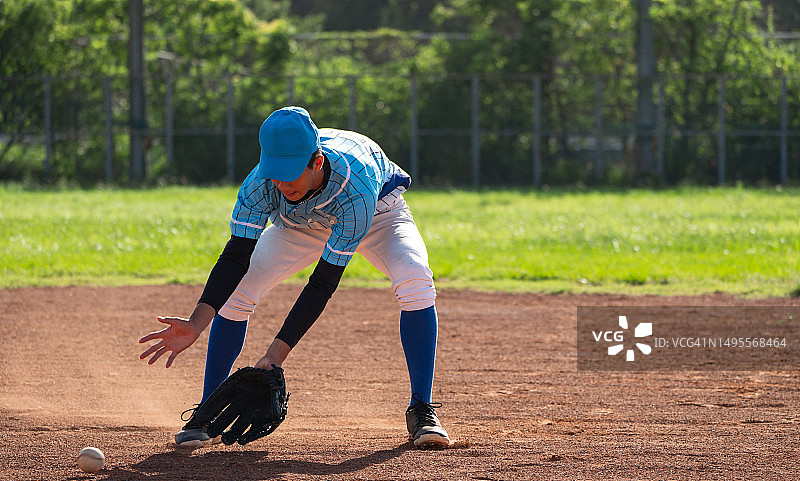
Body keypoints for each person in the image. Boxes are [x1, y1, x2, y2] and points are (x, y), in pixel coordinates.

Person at [138, 106, 450, 448]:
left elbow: (322, 283)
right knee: (239, 290)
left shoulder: (354, 185)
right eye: (275, 173)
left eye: (289, 174)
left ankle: (421, 409)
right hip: (300, 225)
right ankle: (208, 410)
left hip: (376, 215)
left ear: (317, 162)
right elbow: (236, 256)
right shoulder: (262, 182)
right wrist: (197, 323)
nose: (281, 183)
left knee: (415, 277)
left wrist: (274, 357)